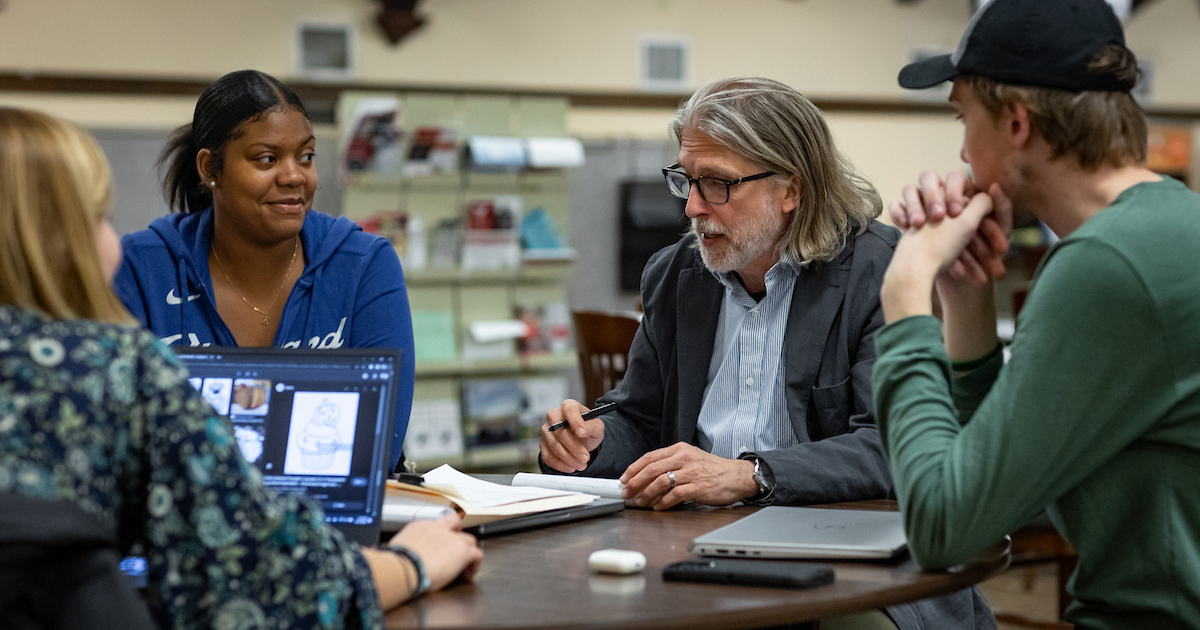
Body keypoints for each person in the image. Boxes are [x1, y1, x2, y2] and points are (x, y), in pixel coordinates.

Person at [0, 107, 483, 628]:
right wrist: (412, 563)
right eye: (97, 217)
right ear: (53, 238)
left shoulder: (360, 260)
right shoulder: (118, 371)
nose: (112, 241)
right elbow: (260, 578)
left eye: (307, 156)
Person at [541, 77, 993, 629]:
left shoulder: (880, 270)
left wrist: (752, 474)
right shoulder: (676, 273)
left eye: (717, 185)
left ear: (791, 190)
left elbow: (892, 447)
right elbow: (641, 415)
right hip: (692, 548)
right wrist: (592, 440)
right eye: (685, 179)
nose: (691, 206)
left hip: (846, 560)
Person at [876, 0, 1200, 627]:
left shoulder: (1107, 267)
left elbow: (943, 527)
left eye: (964, 118)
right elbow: (987, 496)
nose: (964, 153)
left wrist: (907, 294)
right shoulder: (1164, 229)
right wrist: (965, 302)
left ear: (1017, 124)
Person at [112, 70, 415, 472]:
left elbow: (378, 444)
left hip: (330, 521)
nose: (294, 176)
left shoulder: (363, 264)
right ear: (209, 169)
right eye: (267, 159)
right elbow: (118, 438)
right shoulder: (141, 266)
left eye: (306, 157)